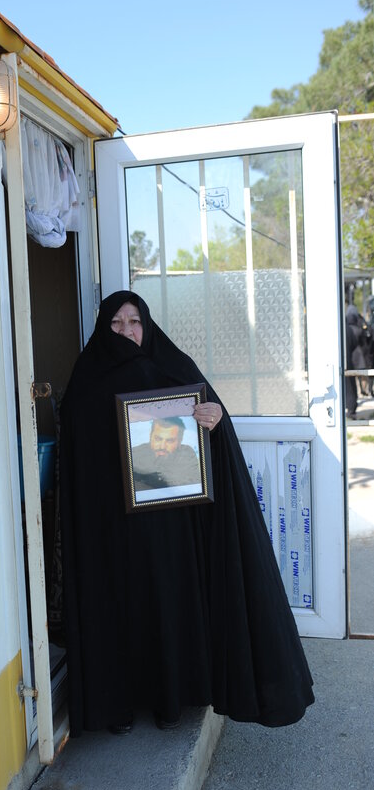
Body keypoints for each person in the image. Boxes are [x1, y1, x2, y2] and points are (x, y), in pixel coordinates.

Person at [60, 290, 314, 735]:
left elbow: (211, 420)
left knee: (167, 603)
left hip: (169, 523)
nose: (126, 332)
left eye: (134, 322)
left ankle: (169, 700)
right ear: (103, 328)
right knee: (118, 606)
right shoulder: (86, 377)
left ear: (147, 325)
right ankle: (116, 706)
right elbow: (78, 454)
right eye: (116, 324)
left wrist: (213, 417)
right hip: (109, 526)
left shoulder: (173, 364)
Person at [132, 417, 200, 490]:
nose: (162, 446)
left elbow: (194, 488)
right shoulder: (135, 454)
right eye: (158, 439)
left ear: (179, 441)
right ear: (150, 436)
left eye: (170, 441)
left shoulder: (187, 454)